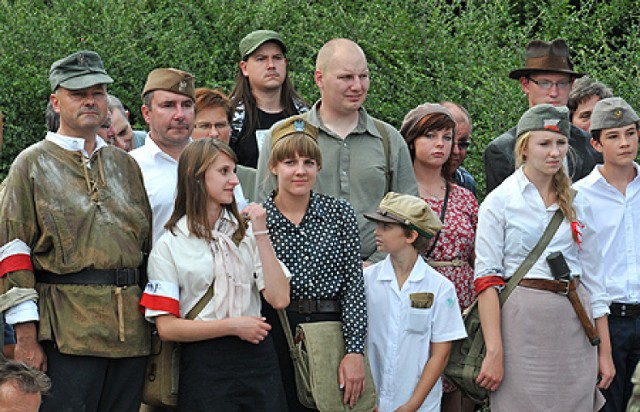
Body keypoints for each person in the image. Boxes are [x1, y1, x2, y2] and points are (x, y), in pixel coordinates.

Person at [0, 51, 152, 411]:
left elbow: (145, 248)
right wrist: (26, 336)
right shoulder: (31, 164)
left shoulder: (126, 165)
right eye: (78, 93)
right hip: (66, 332)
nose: (90, 100)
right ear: (56, 100)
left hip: (131, 333)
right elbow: (12, 251)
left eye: (98, 92)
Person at [474, 104, 614, 411]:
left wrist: (604, 350)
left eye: (561, 143)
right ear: (524, 148)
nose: (555, 152)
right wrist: (494, 350)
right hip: (521, 329)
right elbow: (486, 281)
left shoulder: (579, 201)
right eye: (544, 144)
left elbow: (594, 279)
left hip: (575, 325)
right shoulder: (499, 202)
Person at [139, 138, 290, 411]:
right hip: (205, 361)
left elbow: (279, 299)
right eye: (223, 171)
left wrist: (261, 233)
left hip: (258, 357)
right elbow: (167, 327)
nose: (234, 180)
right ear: (195, 176)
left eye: (233, 170)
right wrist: (233, 326)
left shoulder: (246, 234)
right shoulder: (170, 244)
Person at [256, 38, 418, 265]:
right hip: (301, 279)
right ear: (319, 78)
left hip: (376, 276)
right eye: (346, 77)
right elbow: (263, 212)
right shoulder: (284, 136)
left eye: (363, 76)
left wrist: (375, 263)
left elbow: (408, 213)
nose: (357, 86)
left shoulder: (388, 139)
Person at [261, 116, 367, 410]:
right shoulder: (257, 219)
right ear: (273, 166)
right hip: (277, 331)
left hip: (328, 329)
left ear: (319, 167)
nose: (300, 171)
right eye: (289, 162)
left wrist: (354, 350)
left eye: (308, 162)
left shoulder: (339, 213)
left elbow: (353, 286)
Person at [400, 103, 478, 412]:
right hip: (418, 299)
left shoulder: (465, 196)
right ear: (411, 141)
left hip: (462, 302)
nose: (440, 145)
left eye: (447, 138)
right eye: (430, 136)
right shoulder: (399, 194)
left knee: (459, 386)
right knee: (415, 382)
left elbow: (478, 257)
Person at [364, 192, 466, 412]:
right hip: (371, 403)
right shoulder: (367, 281)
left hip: (419, 404)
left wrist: (412, 405)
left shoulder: (440, 287)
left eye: (386, 227)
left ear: (410, 235)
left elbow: (441, 354)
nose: (377, 232)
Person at [573, 97, 640, 412]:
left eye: (630, 133)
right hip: (608, 320)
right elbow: (583, 270)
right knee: (607, 405)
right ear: (596, 143)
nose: (625, 143)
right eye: (613, 136)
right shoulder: (579, 196)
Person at [483, 38, 600, 193]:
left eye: (562, 83)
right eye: (544, 83)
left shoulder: (590, 145)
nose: (554, 93)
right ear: (525, 85)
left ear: (571, 86)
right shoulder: (502, 150)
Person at [130, 68, 197, 244]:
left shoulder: (213, 160)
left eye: (187, 105)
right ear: (146, 113)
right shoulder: (131, 166)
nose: (180, 115)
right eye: (168, 105)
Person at [230, 30, 309, 168]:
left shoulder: (305, 115)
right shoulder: (231, 118)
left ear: (285, 63)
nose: (271, 65)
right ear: (244, 67)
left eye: (277, 58)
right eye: (261, 59)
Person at [194, 87, 256, 201]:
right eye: (205, 126)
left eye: (220, 125)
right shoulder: (177, 177)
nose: (214, 133)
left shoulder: (251, 180)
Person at [440, 101, 477, 196]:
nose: (456, 151)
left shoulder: (466, 182)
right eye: (448, 140)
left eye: (462, 144)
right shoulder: (404, 182)